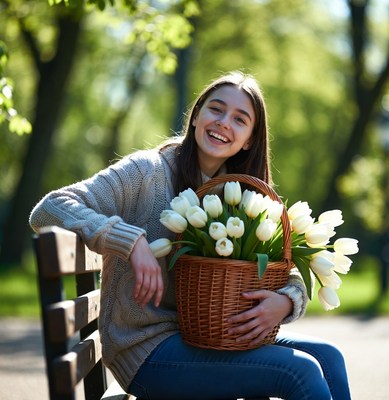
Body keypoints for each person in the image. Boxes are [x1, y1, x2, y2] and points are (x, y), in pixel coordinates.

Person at [29, 71, 351, 400]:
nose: (224, 122)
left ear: (250, 139)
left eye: (240, 119)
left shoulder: (240, 195)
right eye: (216, 109)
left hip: (210, 337)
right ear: (196, 115)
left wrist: (286, 301)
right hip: (146, 350)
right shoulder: (147, 172)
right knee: (298, 371)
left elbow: (287, 268)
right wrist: (131, 241)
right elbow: (48, 209)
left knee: (328, 358)